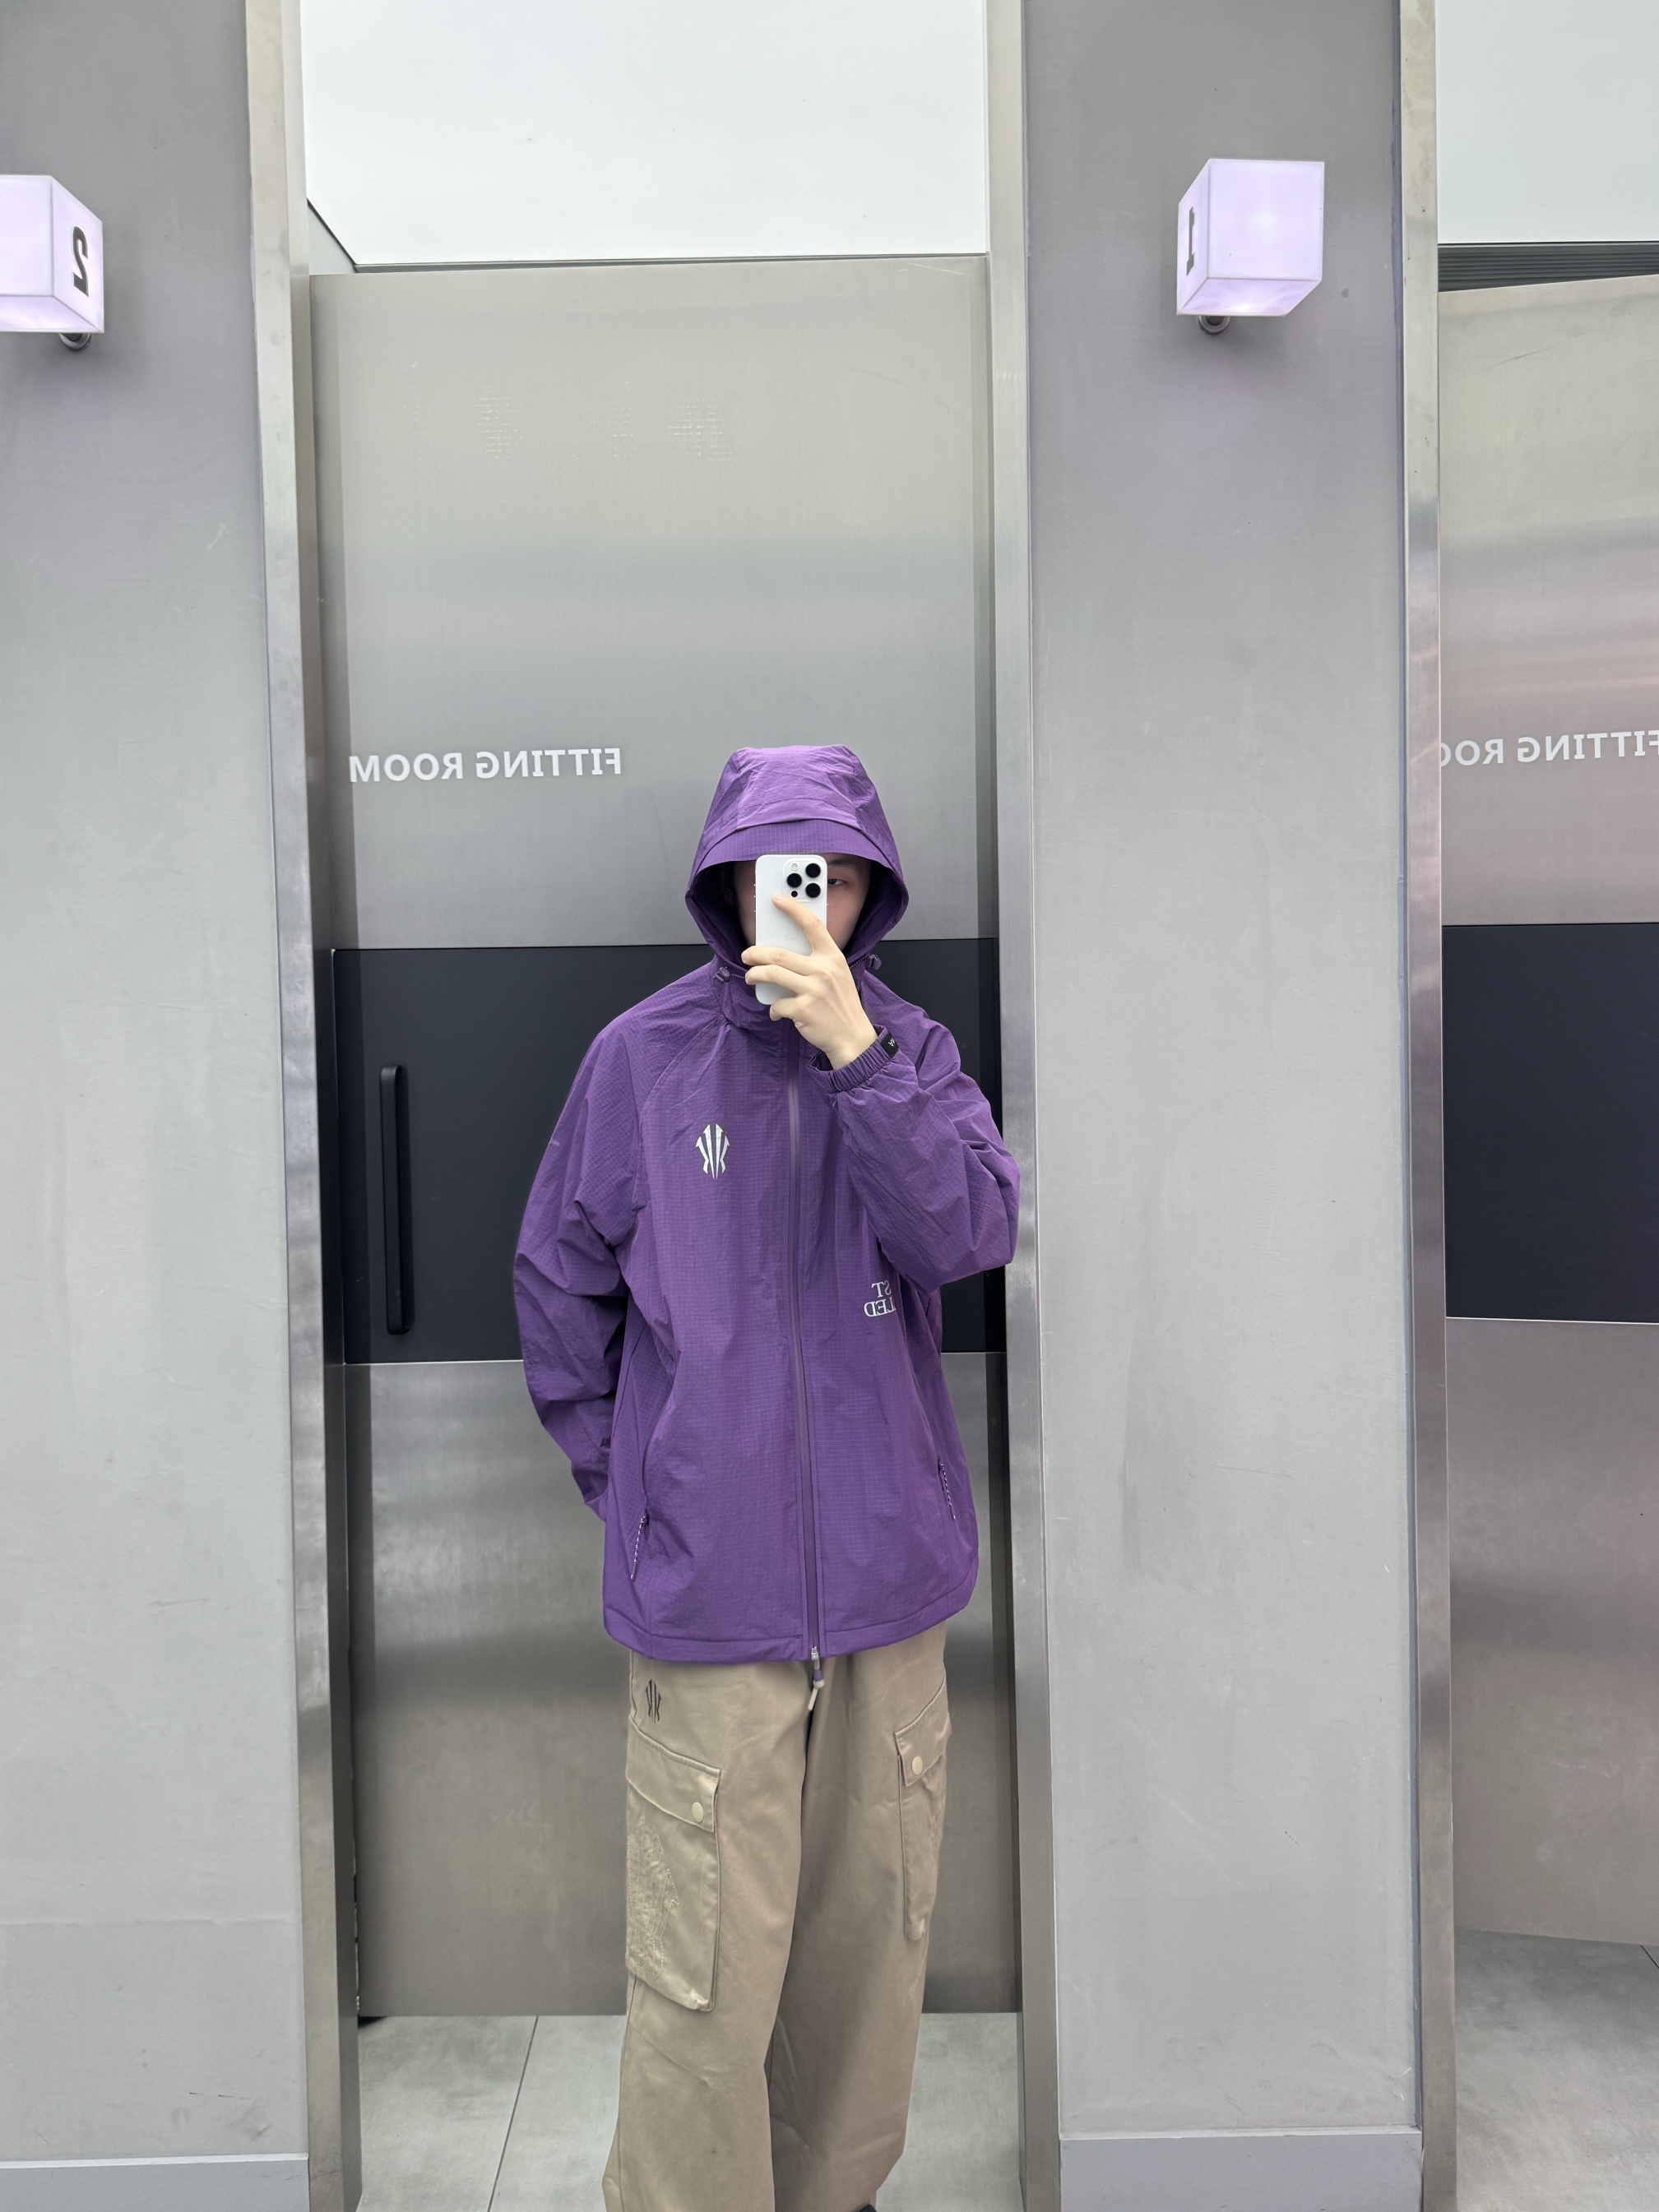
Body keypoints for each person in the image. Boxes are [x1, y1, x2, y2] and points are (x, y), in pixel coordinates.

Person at [514, 744, 1019, 2212]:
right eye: (787, 874)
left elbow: (968, 1234)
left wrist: (859, 1060)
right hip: (707, 1596)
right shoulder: (641, 1059)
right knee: (701, 1972)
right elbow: (557, 1281)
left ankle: (836, 2196)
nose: (814, 902)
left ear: (871, 895)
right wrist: (644, 1486)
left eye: (840, 878)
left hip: (888, 1582)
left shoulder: (911, 1053)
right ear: (728, 885)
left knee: (871, 1945)